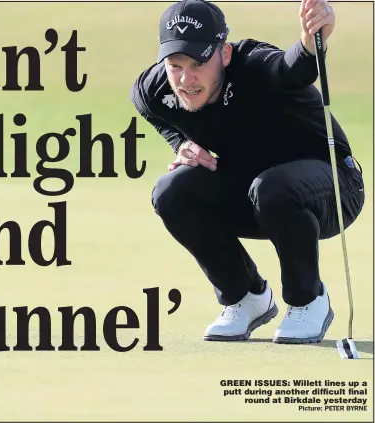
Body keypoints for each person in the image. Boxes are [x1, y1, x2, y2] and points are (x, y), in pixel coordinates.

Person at [130, 0, 365, 343]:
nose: (185, 78)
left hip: (333, 189)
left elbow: (292, 69)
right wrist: (179, 141)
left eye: (198, 64)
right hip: (258, 194)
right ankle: (246, 297)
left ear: (224, 54)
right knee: (172, 192)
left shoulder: (254, 65)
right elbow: (141, 98)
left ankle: (307, 299)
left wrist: (311, 40)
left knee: (273, 188)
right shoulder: (158, 88)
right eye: (175, 65)